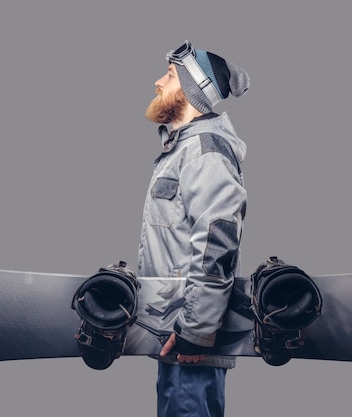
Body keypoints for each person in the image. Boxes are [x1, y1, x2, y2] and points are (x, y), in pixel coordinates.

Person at [138, 40, 250, 417]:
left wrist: (197, 330)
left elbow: (218, 244)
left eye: (169, 76)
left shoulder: (205, 150)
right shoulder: (183, 149)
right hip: (173, 330)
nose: (158, 83)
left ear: (192, 90)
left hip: (188, 338)